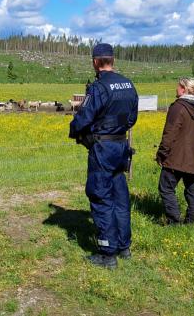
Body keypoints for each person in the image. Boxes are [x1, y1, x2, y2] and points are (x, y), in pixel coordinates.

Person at [69, 43, 138, 269]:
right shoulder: (128, 84)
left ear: (96, 62)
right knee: (120, 196)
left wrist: (74, 129)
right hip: (121, 146)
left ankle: (107, 253)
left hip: (103, 148)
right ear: (112, 60)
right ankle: (124, 246)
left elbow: (84, 117)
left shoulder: (98, 88)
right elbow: (132, 118)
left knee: (100, 196)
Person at [156, 77, 194, 225]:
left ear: (184, 89)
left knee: (166, 188)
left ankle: (174, 221)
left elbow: (169, 133)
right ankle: (193, 222)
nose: (176, 89)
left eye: (178, 87)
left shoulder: (178, 107)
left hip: (175, 158)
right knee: (193, 191)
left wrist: (161, 153)